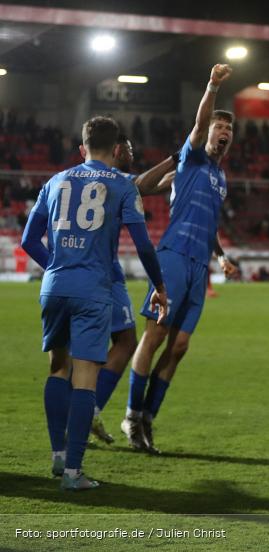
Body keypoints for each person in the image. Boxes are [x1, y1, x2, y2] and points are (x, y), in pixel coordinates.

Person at [20, 116, 167, 490]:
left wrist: (55, 265)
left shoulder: (55, 181)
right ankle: (73, 473)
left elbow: (28, 240)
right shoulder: (121, 185)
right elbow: (144, 245)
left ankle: (57, 456)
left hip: (54, 287)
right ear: (117, 149)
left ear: (82, 146)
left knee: (57, 368)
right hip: (93, 289)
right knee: (85, 377)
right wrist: (160, 286)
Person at [122, 65, 237, 454]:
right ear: (205, 134)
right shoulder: (191, 160)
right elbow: (200, 120)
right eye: (218, 127)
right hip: (172, 257)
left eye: (229, 130)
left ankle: (149, 418)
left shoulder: (221, 180)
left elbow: (210, 225)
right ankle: (131, 416)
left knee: (179, 347)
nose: (223, 133)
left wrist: (221, 256)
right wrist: (212, 87)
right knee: (153, 338)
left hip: (198, 267)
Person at [89, 136, 177, 445]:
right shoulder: (119, 179)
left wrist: (183, 168)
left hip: (71, 272)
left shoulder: (80, 176)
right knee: (124, 342)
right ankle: (87, 414)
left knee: (92, 348)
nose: (131, 152)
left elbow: (155, 184)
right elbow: (143, 183)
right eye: (127, 148)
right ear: (114, 150)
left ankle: (77, 422)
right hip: (105, 273)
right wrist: (176, 158)